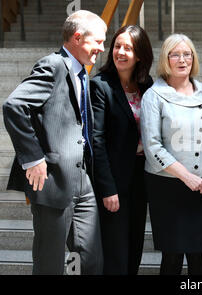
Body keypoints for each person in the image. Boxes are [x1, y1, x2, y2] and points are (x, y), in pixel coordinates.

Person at [2, 10, 106, 275]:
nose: (102, 48)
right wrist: (33, 158)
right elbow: (14, 106)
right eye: (98, 41)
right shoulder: (53, 65)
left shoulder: (83, 72)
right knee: (50, 260)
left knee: (90, 258)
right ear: (77, 37)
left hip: (83, 180)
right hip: (53, 180)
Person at [140, 33, 202, 275]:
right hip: (167, 186)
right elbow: (152, 146)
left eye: (187, 54)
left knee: (199, 257)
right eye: (175, 54)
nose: (182, 59)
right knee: (172, 255)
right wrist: (186, 176)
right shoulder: (153, 96)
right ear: (166, 59)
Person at [90, 25, 153, 275]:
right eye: (118, 46)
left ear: (139, 54)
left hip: (141, 178)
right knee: (115, 253)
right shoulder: (101, 86)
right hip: (114, 182)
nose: (121, 52)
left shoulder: (146, 86)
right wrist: (107, 188)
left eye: (128, 47)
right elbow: (96, 140)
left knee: (135, 246)